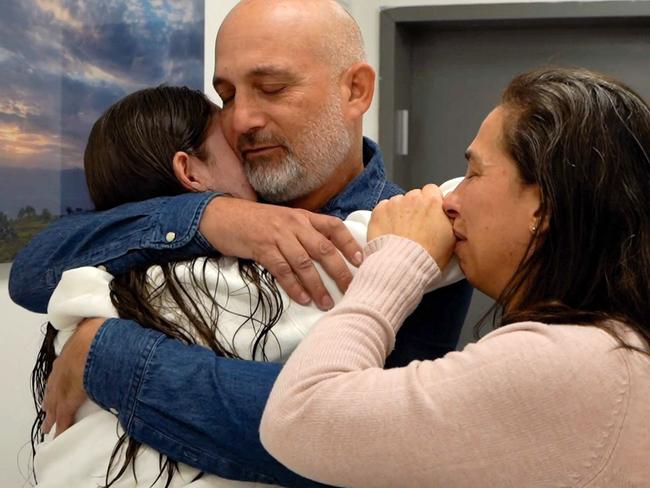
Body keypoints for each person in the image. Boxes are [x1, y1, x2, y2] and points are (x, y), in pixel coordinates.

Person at [12, 0, 472, 485]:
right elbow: (31, 272)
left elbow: (366, 437)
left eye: (271, 88)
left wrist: (105, 353)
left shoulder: (419, 238)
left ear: (355, 91)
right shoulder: (205, 207)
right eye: (227, 96)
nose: (241, 120)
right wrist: (209, 216)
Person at [260, 67, 650, 487]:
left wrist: (394, 261)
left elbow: (298, 417)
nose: (450, 199)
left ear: (544, 207)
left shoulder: (574, 362)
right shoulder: (612, 348)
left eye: (475, 173)